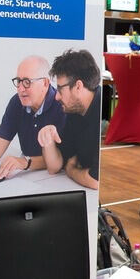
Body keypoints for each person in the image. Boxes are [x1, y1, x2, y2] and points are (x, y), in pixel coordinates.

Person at [0, 56, 66, 178]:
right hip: (28, 176)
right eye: (18, 81)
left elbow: (62, 159)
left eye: (27, 82)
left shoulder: (62, 106)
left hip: (58, 179)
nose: (21, 89)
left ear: (45, 83)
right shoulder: (17, 102)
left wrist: (24, 162)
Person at [37, 50, 102, 190]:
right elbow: (55, 166)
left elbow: (95, 181)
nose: (57, 97)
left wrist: (71, 170)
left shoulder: (100, 112)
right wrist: (48, 142)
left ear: (78, 86)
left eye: (60, 89)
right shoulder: (74, 113)